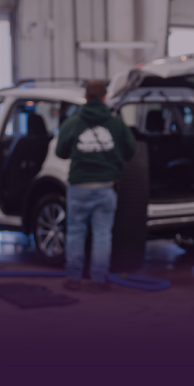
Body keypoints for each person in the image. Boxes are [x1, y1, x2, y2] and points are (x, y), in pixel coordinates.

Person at [54, 80, 135, 291]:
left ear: (86, 97)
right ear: (105, 97)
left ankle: (73, 278)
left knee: (75, 232)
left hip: (79, 187)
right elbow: (130, 151)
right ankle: (98, 280)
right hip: (106, 188)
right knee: (102, 234)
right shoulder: (117, 124)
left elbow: (60, 152)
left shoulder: (72, 123)